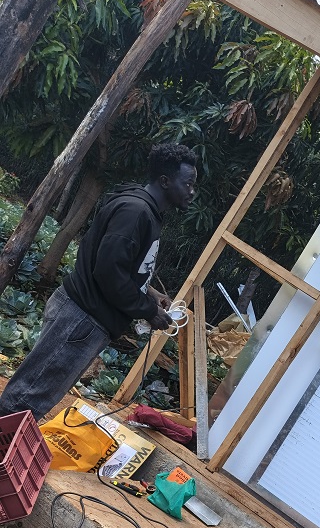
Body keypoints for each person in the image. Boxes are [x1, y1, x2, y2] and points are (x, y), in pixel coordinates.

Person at [0, 142, 198, 420]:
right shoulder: (136, 213)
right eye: (188, 183)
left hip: (83, 318)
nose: (192, 191)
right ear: (165, 181)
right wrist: (148, 311)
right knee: (26, 398)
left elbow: (117, 263)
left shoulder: (143, 209)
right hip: (82, 318)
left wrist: (150, 293)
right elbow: (108, 273)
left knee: (34, 392)